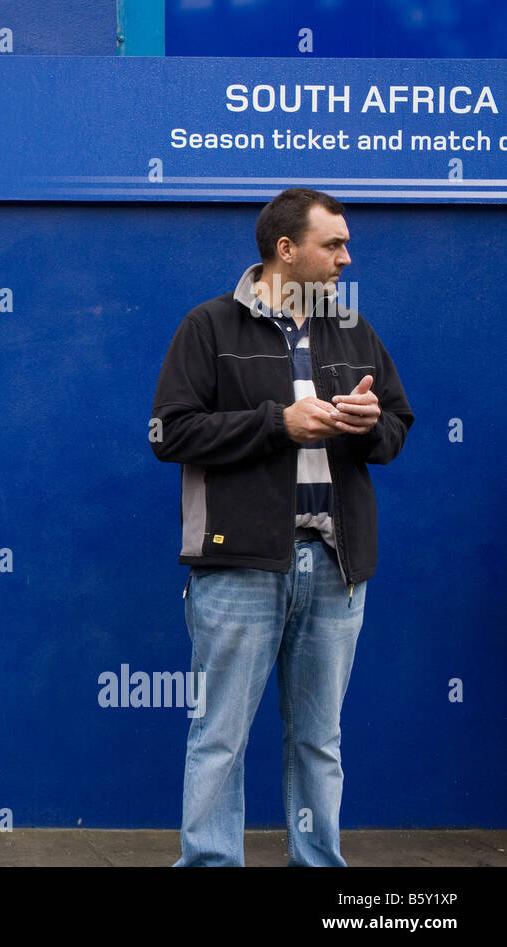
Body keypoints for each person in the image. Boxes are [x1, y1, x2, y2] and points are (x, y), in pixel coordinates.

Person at [150, 187, 413, 866]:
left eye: (347, 244)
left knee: (319, 738)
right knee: (219, 735)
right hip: (238, 564)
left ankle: (319, 864)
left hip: (335, 565)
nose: (346, 259)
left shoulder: (353, 328)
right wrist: (280, 423)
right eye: (334, 245)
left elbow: (397, 426)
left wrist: (368, 426)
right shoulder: (207, 327)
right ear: (285, 249)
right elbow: (168, 432)